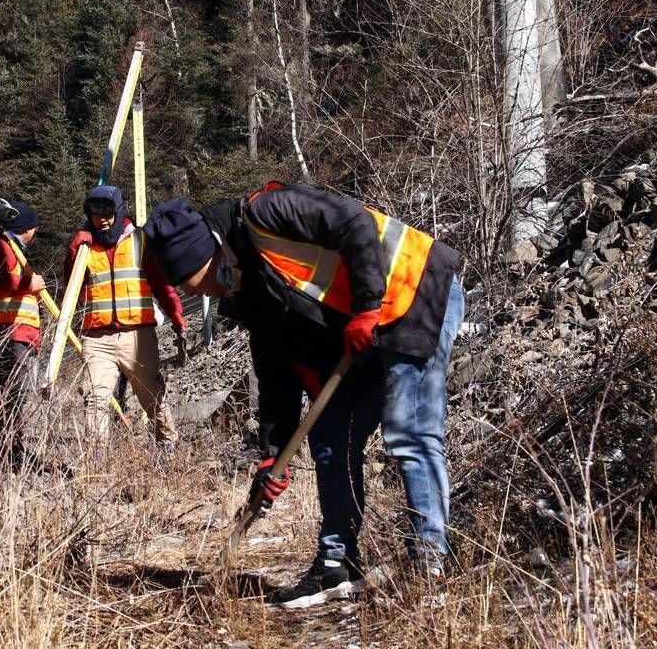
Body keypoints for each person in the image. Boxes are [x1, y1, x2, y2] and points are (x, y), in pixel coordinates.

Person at [144, 181, 464, 609]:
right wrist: (274, 454)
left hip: (413, 288)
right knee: (331, 435)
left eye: (197, 281)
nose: (201, 293)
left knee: (409, 433)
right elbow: (275, 369)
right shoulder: (247, 287)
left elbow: (353, 221)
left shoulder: (266, 211)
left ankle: (430, 564)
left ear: (212, 251)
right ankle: (338, 562)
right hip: (365, 324)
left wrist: (368, 305)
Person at [65, 185, 186, 454]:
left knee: (152, 396)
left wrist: (176, 315)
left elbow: (161, 285)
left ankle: (168, 449)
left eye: (108, 213)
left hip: (137, 336)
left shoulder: (140, 240)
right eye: (96, 214)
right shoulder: (85, 246)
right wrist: (74, 252)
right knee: (95, 400)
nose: (103, 220)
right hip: (97, 338)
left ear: (118, 210)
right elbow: (71, 284)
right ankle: (96, 462)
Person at [0, 198, 46, 474]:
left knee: (6, 392)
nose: (35, 235)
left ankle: (7, 449)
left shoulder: (1, 245)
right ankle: (7, 451)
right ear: (25, 227)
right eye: (33, 229)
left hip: (3, 330)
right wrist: (31, 283)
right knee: (13, 393)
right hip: (12, 331)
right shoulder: (5, 246)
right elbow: (3, 281)